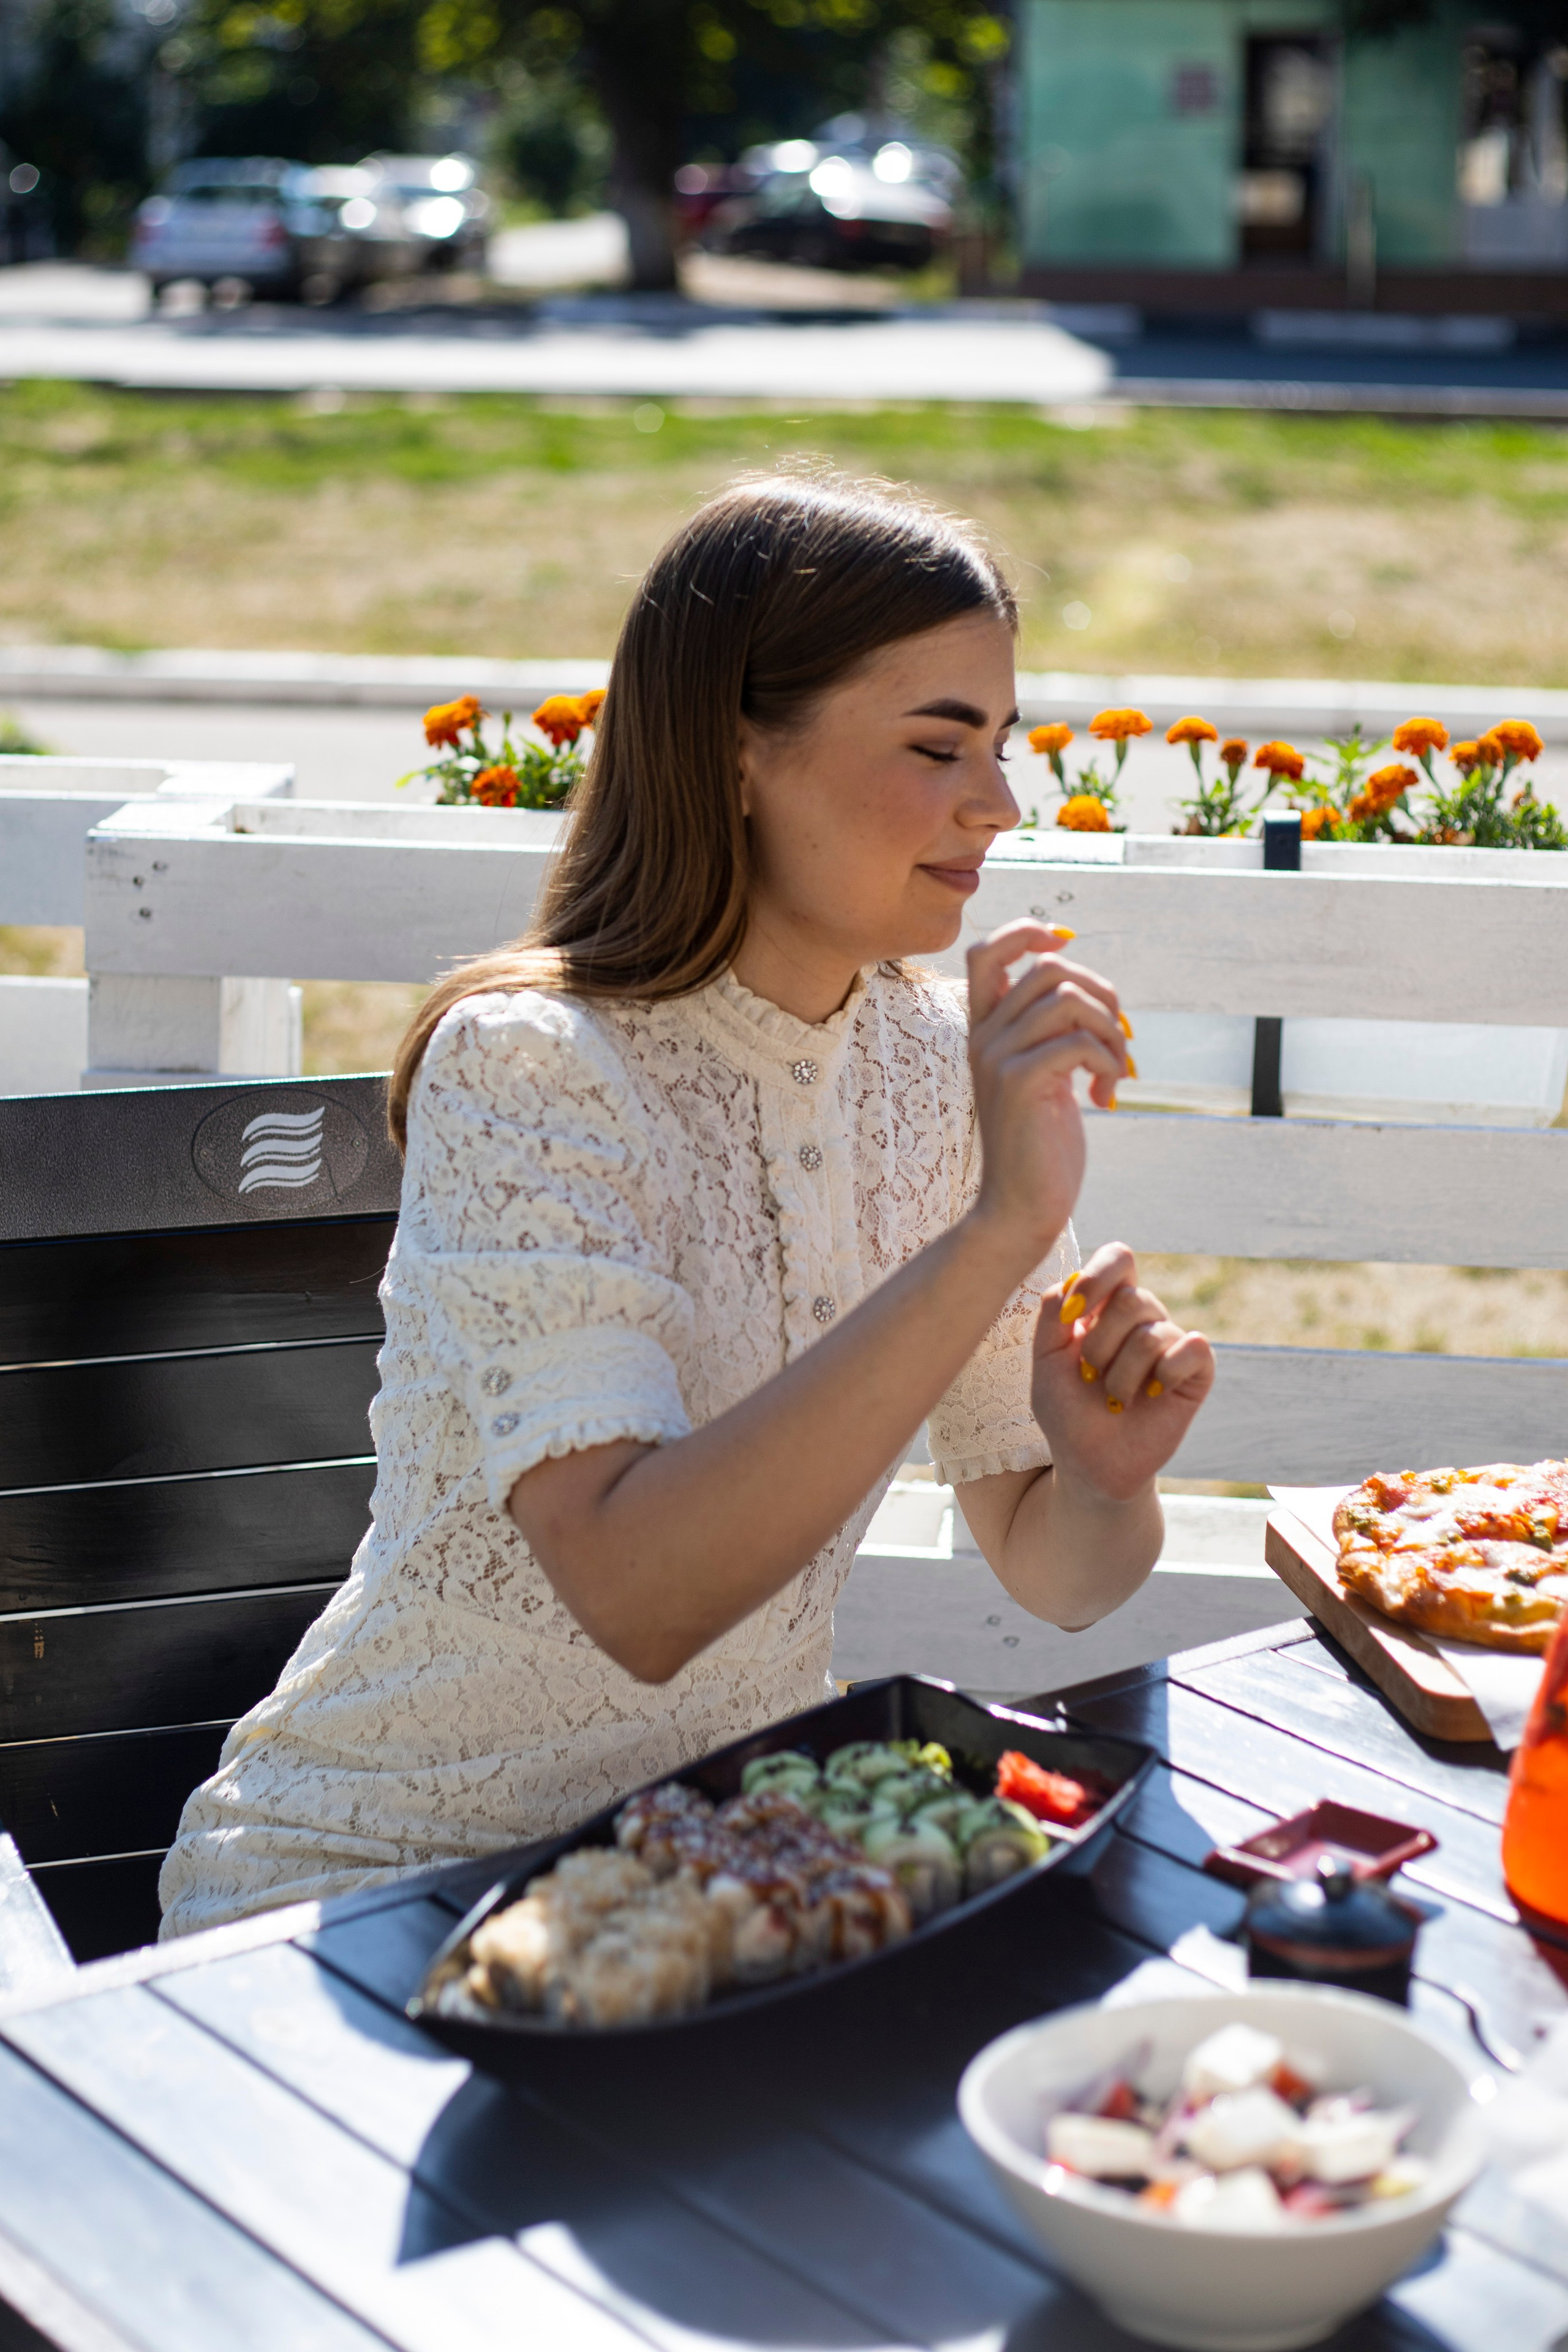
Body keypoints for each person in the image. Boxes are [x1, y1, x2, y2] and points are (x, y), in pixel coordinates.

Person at [159, 472, 1215, 1937]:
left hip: (718, 1886)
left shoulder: (920, 1067)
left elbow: (1055, 1571)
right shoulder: (531, 1068)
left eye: (1001, 744)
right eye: (936, 745)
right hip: (377, 1891)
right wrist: (993, 1241)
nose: (997, 803)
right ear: (734, 754)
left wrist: (1103, 1473)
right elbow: (636, 1594)